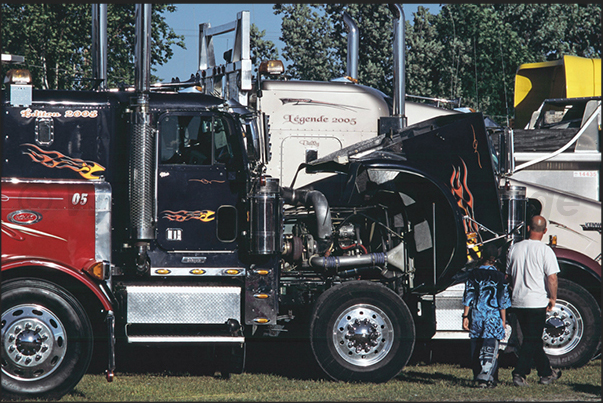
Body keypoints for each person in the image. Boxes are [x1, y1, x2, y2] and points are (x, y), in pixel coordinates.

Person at [506, 215, 561, 386]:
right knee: (532, 339)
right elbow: (552, 278)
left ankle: (547, 373)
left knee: (532, 339)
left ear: (528, 228)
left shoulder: (514, 248)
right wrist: (552, 298)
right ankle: (519, 373)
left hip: (517, 300)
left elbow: (508, 276)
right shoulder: (545, 251)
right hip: (536, 301)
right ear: (545, 231)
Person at [462, 243, 511, 388]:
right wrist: (503, 320)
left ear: (482, 257)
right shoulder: (500, 276)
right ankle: (490, 377)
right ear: (495, 259)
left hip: (477, 315)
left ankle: (477, 376)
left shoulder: (473, 274)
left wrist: (465, 316)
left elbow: (469, 295)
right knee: (491, 347)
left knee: (476, 346)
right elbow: (502, 301)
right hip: (494, 316)